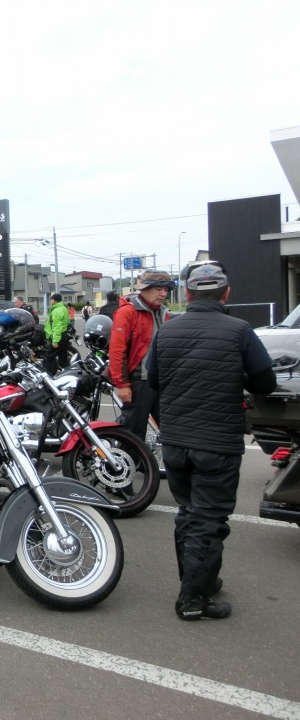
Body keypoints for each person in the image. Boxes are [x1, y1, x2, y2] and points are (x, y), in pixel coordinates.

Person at [146, 262, 275, 621]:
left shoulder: (166, 331)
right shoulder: (240, 331)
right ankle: (192, 598)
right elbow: (265, 383)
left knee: (189, 513)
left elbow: (153, 380)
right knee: (209, 519)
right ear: (226, 294)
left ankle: (199, 579)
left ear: (186, 295)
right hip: (217, 441)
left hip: (175, 441)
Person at [109, 271, 173, 441]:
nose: (163, 294)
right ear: (144, 289)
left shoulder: (163, 312)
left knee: (171, 428)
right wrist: (122, 384)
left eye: (166, 290)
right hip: (139, 381)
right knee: (134, 432)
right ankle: (130, 458)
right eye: (158, 289)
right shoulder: (127, 312)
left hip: (162, 381)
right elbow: (117, 350)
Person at [43, 293, 71, 375]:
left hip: (58, 337)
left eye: (51, 299)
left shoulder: (56, 311)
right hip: (64, 335)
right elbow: (67, 322)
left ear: (54, 300)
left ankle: (47, 377)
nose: (50, 301)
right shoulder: (63, 308)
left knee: (48, 358)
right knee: (63, 358)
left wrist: (55, 341)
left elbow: (57, 326)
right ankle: (70, 374)